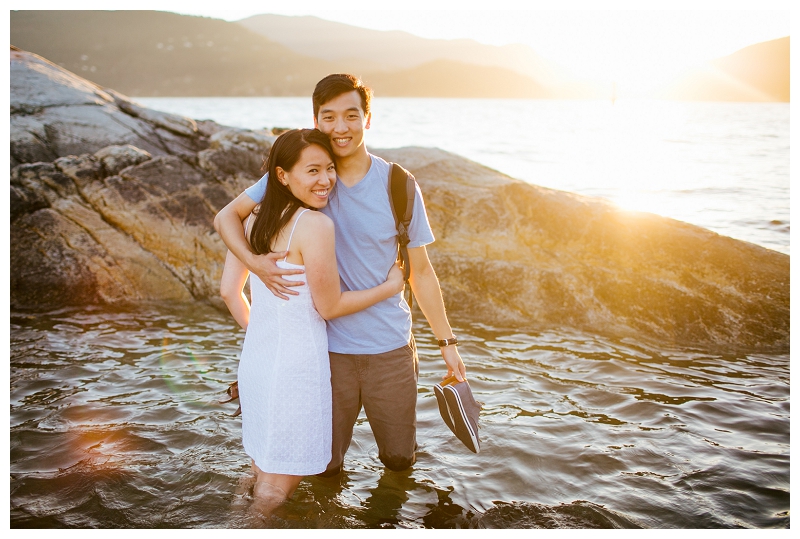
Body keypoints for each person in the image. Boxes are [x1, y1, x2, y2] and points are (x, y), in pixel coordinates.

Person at [213, 73, 466, 477]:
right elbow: (228, 216)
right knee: (324, 466)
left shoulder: (398, 185)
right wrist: (255, 263)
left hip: (390, 349)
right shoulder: (304, 175)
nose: (340, 127)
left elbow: (421, 272)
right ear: (316, 120)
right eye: (328, 117)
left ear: (368, 118)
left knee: (400, 461)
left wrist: (447, 342)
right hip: (326, 353)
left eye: (351, 115)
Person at [227, 127, 404, 510]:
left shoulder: (250, 221)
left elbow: (229, 292)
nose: (325, 181)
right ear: (282, 175)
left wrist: (263, 332)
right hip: (298, 372)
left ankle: (234, 520)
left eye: (328, 169)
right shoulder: (315, 225)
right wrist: (391, 287)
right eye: (312, 171)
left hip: (257, 363)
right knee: (276, 490)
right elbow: (330, 307)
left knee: (259, 472)